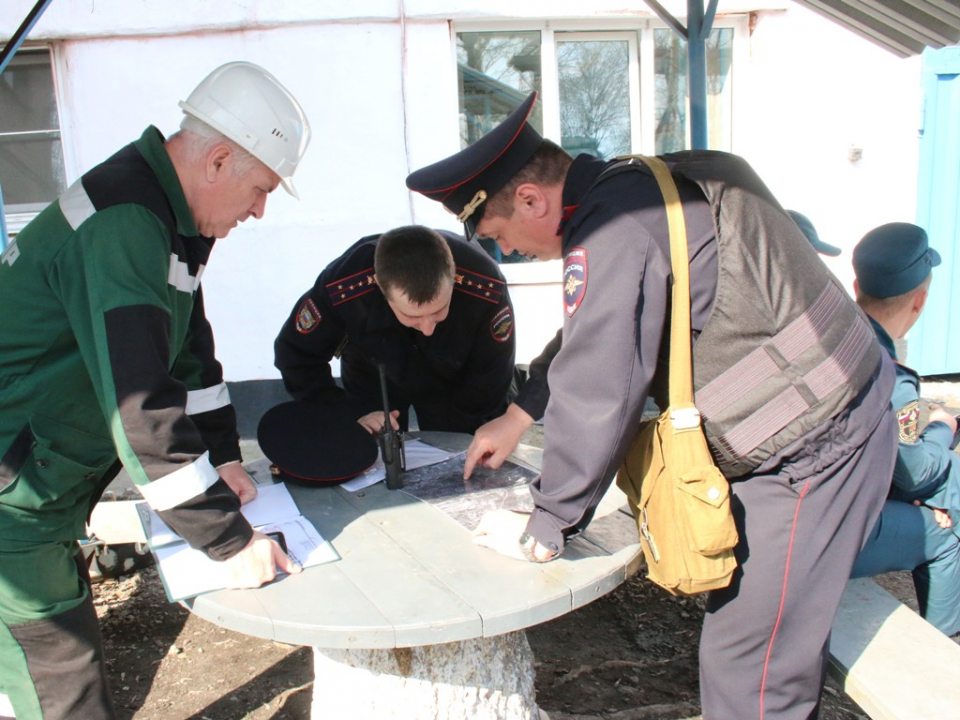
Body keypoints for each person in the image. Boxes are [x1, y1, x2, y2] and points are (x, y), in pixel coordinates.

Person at [405, 91, 897, 719]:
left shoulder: (613, 228)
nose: (508, 253)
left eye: (498, 235)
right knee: (762, 648)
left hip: (813, 450)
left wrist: (548, 522)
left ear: (531, 199)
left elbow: (602, 379)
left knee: (753, 668)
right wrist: (521, 412)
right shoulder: (645, 184)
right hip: (836, 412)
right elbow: (602, 326)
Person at [0, 61, 310, 720]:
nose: (258, 210)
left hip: (39, 472)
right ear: (219, 160)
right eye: (260, 189)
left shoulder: (169, 216)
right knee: (62, 678)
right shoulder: (126, 223)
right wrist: (228, 542)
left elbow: (188, 352)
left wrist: (225, 454)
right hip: (12, 495)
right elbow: (141, 408)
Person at [274, 225, 517, 435]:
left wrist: (466, 431)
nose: (428, 328)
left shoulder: (485, 286)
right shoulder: (343, 286)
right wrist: (342, 413)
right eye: (412, 315)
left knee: (462, 455)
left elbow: (492, 373)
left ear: (453, 277)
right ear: (380, 284)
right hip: (373, 372)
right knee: (372, 453)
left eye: (439, 311)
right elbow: (296, 355)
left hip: (458, 376)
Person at [848, 222, 960, 636]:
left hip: (782, 507)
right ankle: (944, 655)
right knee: (948, 523)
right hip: (825, 532)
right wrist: (943, 429)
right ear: (920, 301)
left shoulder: (829, 340)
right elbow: (914, 475)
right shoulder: (889, 373)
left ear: (856, 283)